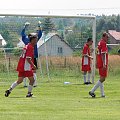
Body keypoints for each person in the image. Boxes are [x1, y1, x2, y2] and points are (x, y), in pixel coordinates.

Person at [21, 21, 42, 87]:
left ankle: (25, 84)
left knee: (26, 70)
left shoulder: (25, 39)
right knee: (33, 70)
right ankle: (34, 84)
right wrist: (39, 26)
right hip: (33, 56)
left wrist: (25, 27)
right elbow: (40, 34)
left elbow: (22, 34)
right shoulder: (34, 40)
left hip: (27, 57)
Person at [89, 32, 109, 98]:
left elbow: (97, 53)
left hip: (99, 61)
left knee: (101, 78)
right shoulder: (103, 43)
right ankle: (92, 91)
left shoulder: (100, 42)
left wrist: (97, 62)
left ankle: (102, 94)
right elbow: (103, 54)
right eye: (107, 37)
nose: (108, 38)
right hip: (103, 62)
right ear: (103, 37)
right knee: (103, 78)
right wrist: (104, 63)